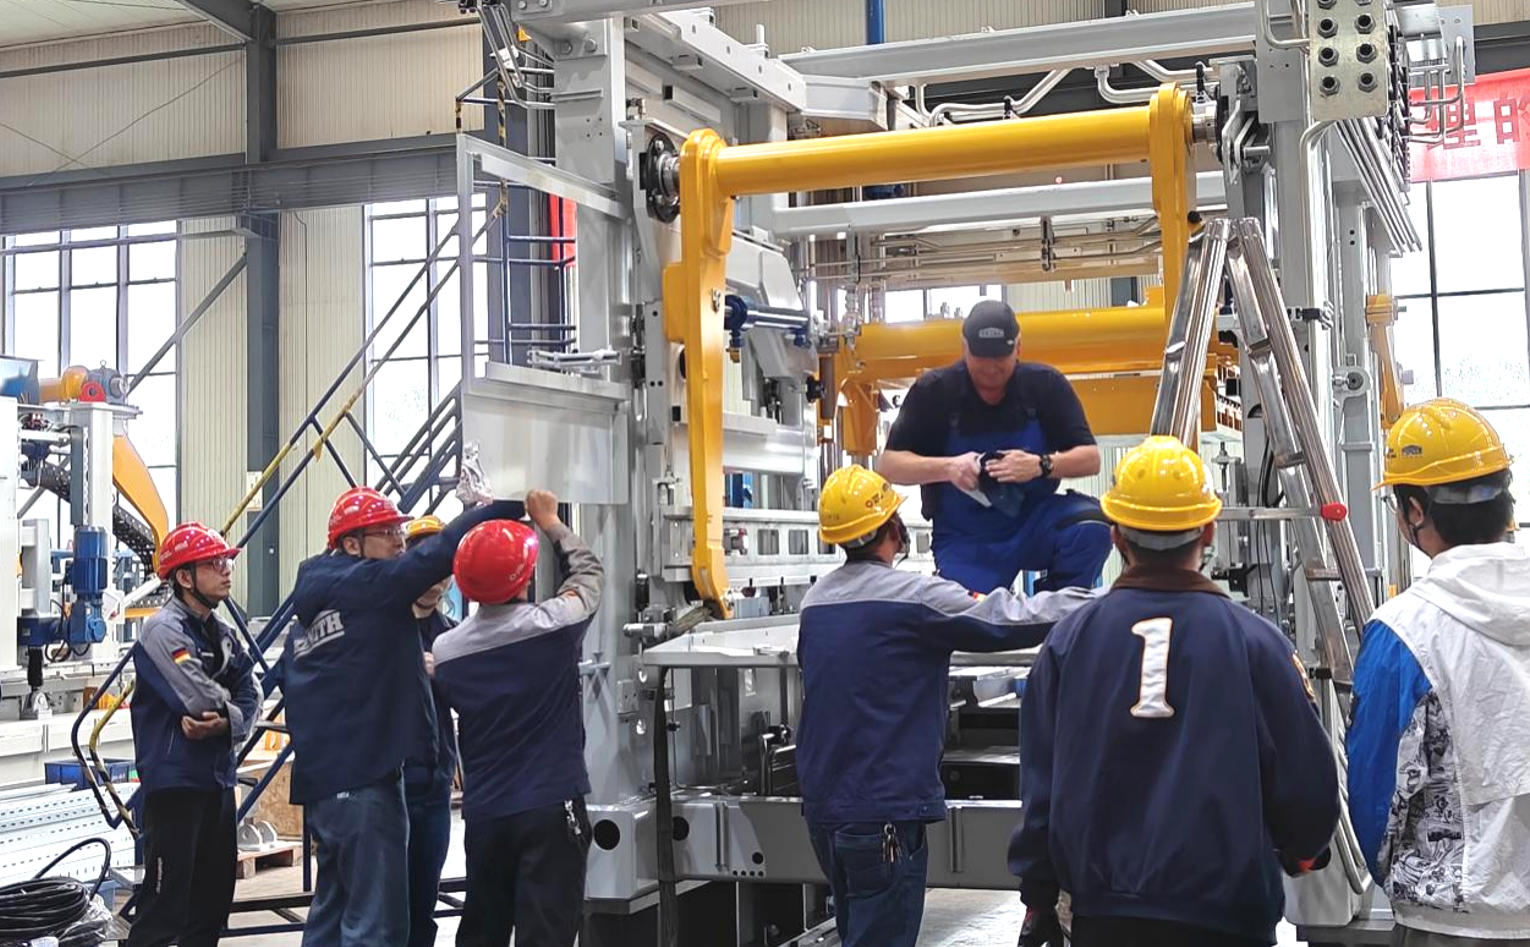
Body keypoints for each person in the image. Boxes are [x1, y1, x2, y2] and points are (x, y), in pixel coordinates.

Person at [1009, 436, 1339, 947]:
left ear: (1116, 536)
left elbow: (1041, 788)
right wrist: (1301, 851)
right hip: (1227, 918)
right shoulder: (1256, 643)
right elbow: (1306, 788)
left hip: (1105, 916)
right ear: (1208, 530)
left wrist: (1038, 892)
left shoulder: (1069, 642)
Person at [796, 464, 1097, 947]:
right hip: (884, 810)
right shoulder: (915, 596)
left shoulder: (816, 601)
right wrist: (1102, 601)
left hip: (825, 808)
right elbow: (1006, 619)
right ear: (892, 528)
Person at [283, 487, 522, 947]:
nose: (399, 541)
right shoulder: (366, 584)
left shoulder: (312, 613)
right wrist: (510, 504)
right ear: (352, 544)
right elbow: (438, 552)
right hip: (366, 780)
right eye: (388, 532)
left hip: (326, 788)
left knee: (333, 915)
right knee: (377, 926)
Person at [1348, 399, 1530, 947]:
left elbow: (1377, 795)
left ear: (1415, 511)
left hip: (1455, 923)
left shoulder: (1404, 632)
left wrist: (1406, 880)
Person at [433, 489, 603, 947]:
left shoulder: (447, 653)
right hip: (550, 808)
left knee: (483, 931)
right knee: (545, 933)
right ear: (526, 576)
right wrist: (550, 521)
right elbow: (589, 576)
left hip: (487, 814)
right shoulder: (552, 627)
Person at [878, 297, 1111, 595]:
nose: (990, 368)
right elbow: (889, 466)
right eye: (981, 357)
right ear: (964, 347)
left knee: (1092, 525)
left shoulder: (1046, 386)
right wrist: (949, 468)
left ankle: (1056, 610)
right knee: (967, 614)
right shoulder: (933, 392)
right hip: (966, 538)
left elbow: (1090, 459)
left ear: (1018, 348)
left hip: (1033, 520)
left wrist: (1040, 465)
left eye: (1000, 358)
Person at [127, 523, 256, 947]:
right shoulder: (164, 632)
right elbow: (199, 697)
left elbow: (252, 693)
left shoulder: (223, 635)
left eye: (226, 562)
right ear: (184, 577)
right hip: (175, 787)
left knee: (211, 907)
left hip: (217, 782)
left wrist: (227, 721)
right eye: (214, 563)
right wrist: (233, 714)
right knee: (165, 909)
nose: (226, 570)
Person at [401, 515, 459, 947]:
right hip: (392, 785)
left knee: (424, 901)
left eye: (443, 566)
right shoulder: (385, 630)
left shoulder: (453, 636)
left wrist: (449, 673)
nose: (435, 577)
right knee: (388, 903)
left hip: (435, 785)